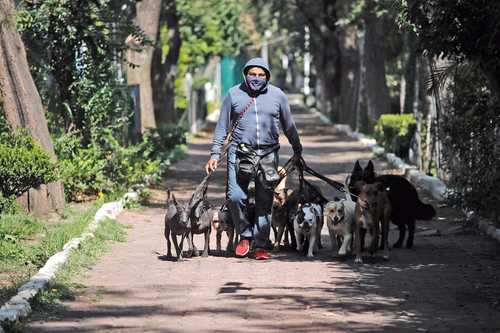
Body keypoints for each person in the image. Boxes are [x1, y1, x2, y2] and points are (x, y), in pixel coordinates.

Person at [205, 57, 302, 260]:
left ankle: (259, 244)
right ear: (245, 74)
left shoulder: (278, 96)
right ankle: (245, 235)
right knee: (235, 197)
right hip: (239, 153)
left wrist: (297, 149)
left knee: (264, 201)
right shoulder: (233, 94)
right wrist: (215, 153)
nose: (256, 78)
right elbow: (222, 126)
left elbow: (289, 125)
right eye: (252, 74)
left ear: (267, 76)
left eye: (260, 75)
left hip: (268, 154)